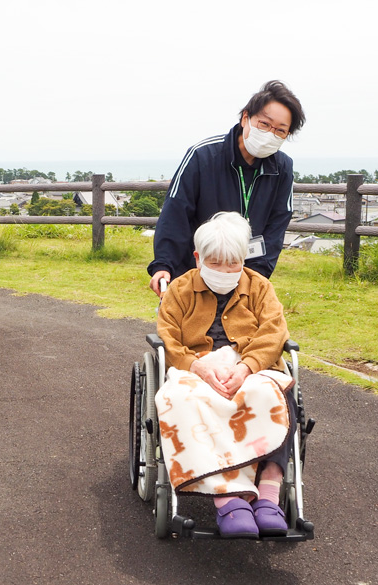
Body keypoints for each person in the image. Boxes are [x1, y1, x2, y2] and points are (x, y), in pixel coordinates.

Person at [155, 212, 295, 538]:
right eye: (214, 263)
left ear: (243, 259)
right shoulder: (179, 289)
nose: (224, 270)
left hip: (250, 363)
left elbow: (275, 333)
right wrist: (198, 366)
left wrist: (245, 367)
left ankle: (269, 495)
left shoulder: (259, 287)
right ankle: (227, 496)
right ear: (197, 257)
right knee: (180, 398)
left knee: (270, 394)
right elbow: (167, 337)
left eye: (232, 264)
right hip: (196, 364)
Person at [149, 80, 305, 297]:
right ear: (245, 118)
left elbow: (276, 226)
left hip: (244, 274)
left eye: (280, 131)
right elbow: (175, 212)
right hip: (195, 268)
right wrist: (164, 265)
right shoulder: (202, 155)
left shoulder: (283, 167)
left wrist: (255, 278)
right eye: (264, 124)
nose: (271, 134)